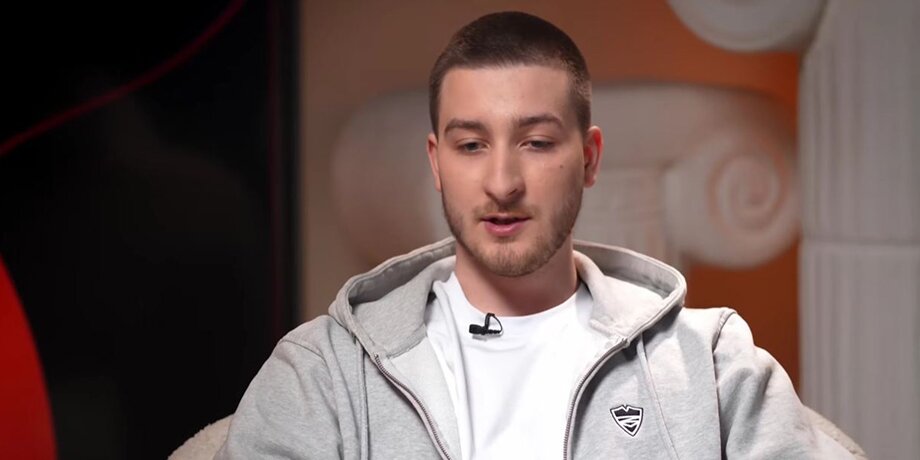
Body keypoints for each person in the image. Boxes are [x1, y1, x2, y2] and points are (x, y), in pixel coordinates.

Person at [218, 11, 853, 459]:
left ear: (590, 158)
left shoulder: (710, 363)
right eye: (471, 145)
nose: (502, 183)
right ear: (436, 163)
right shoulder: (325, 372)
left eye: (537, 142)